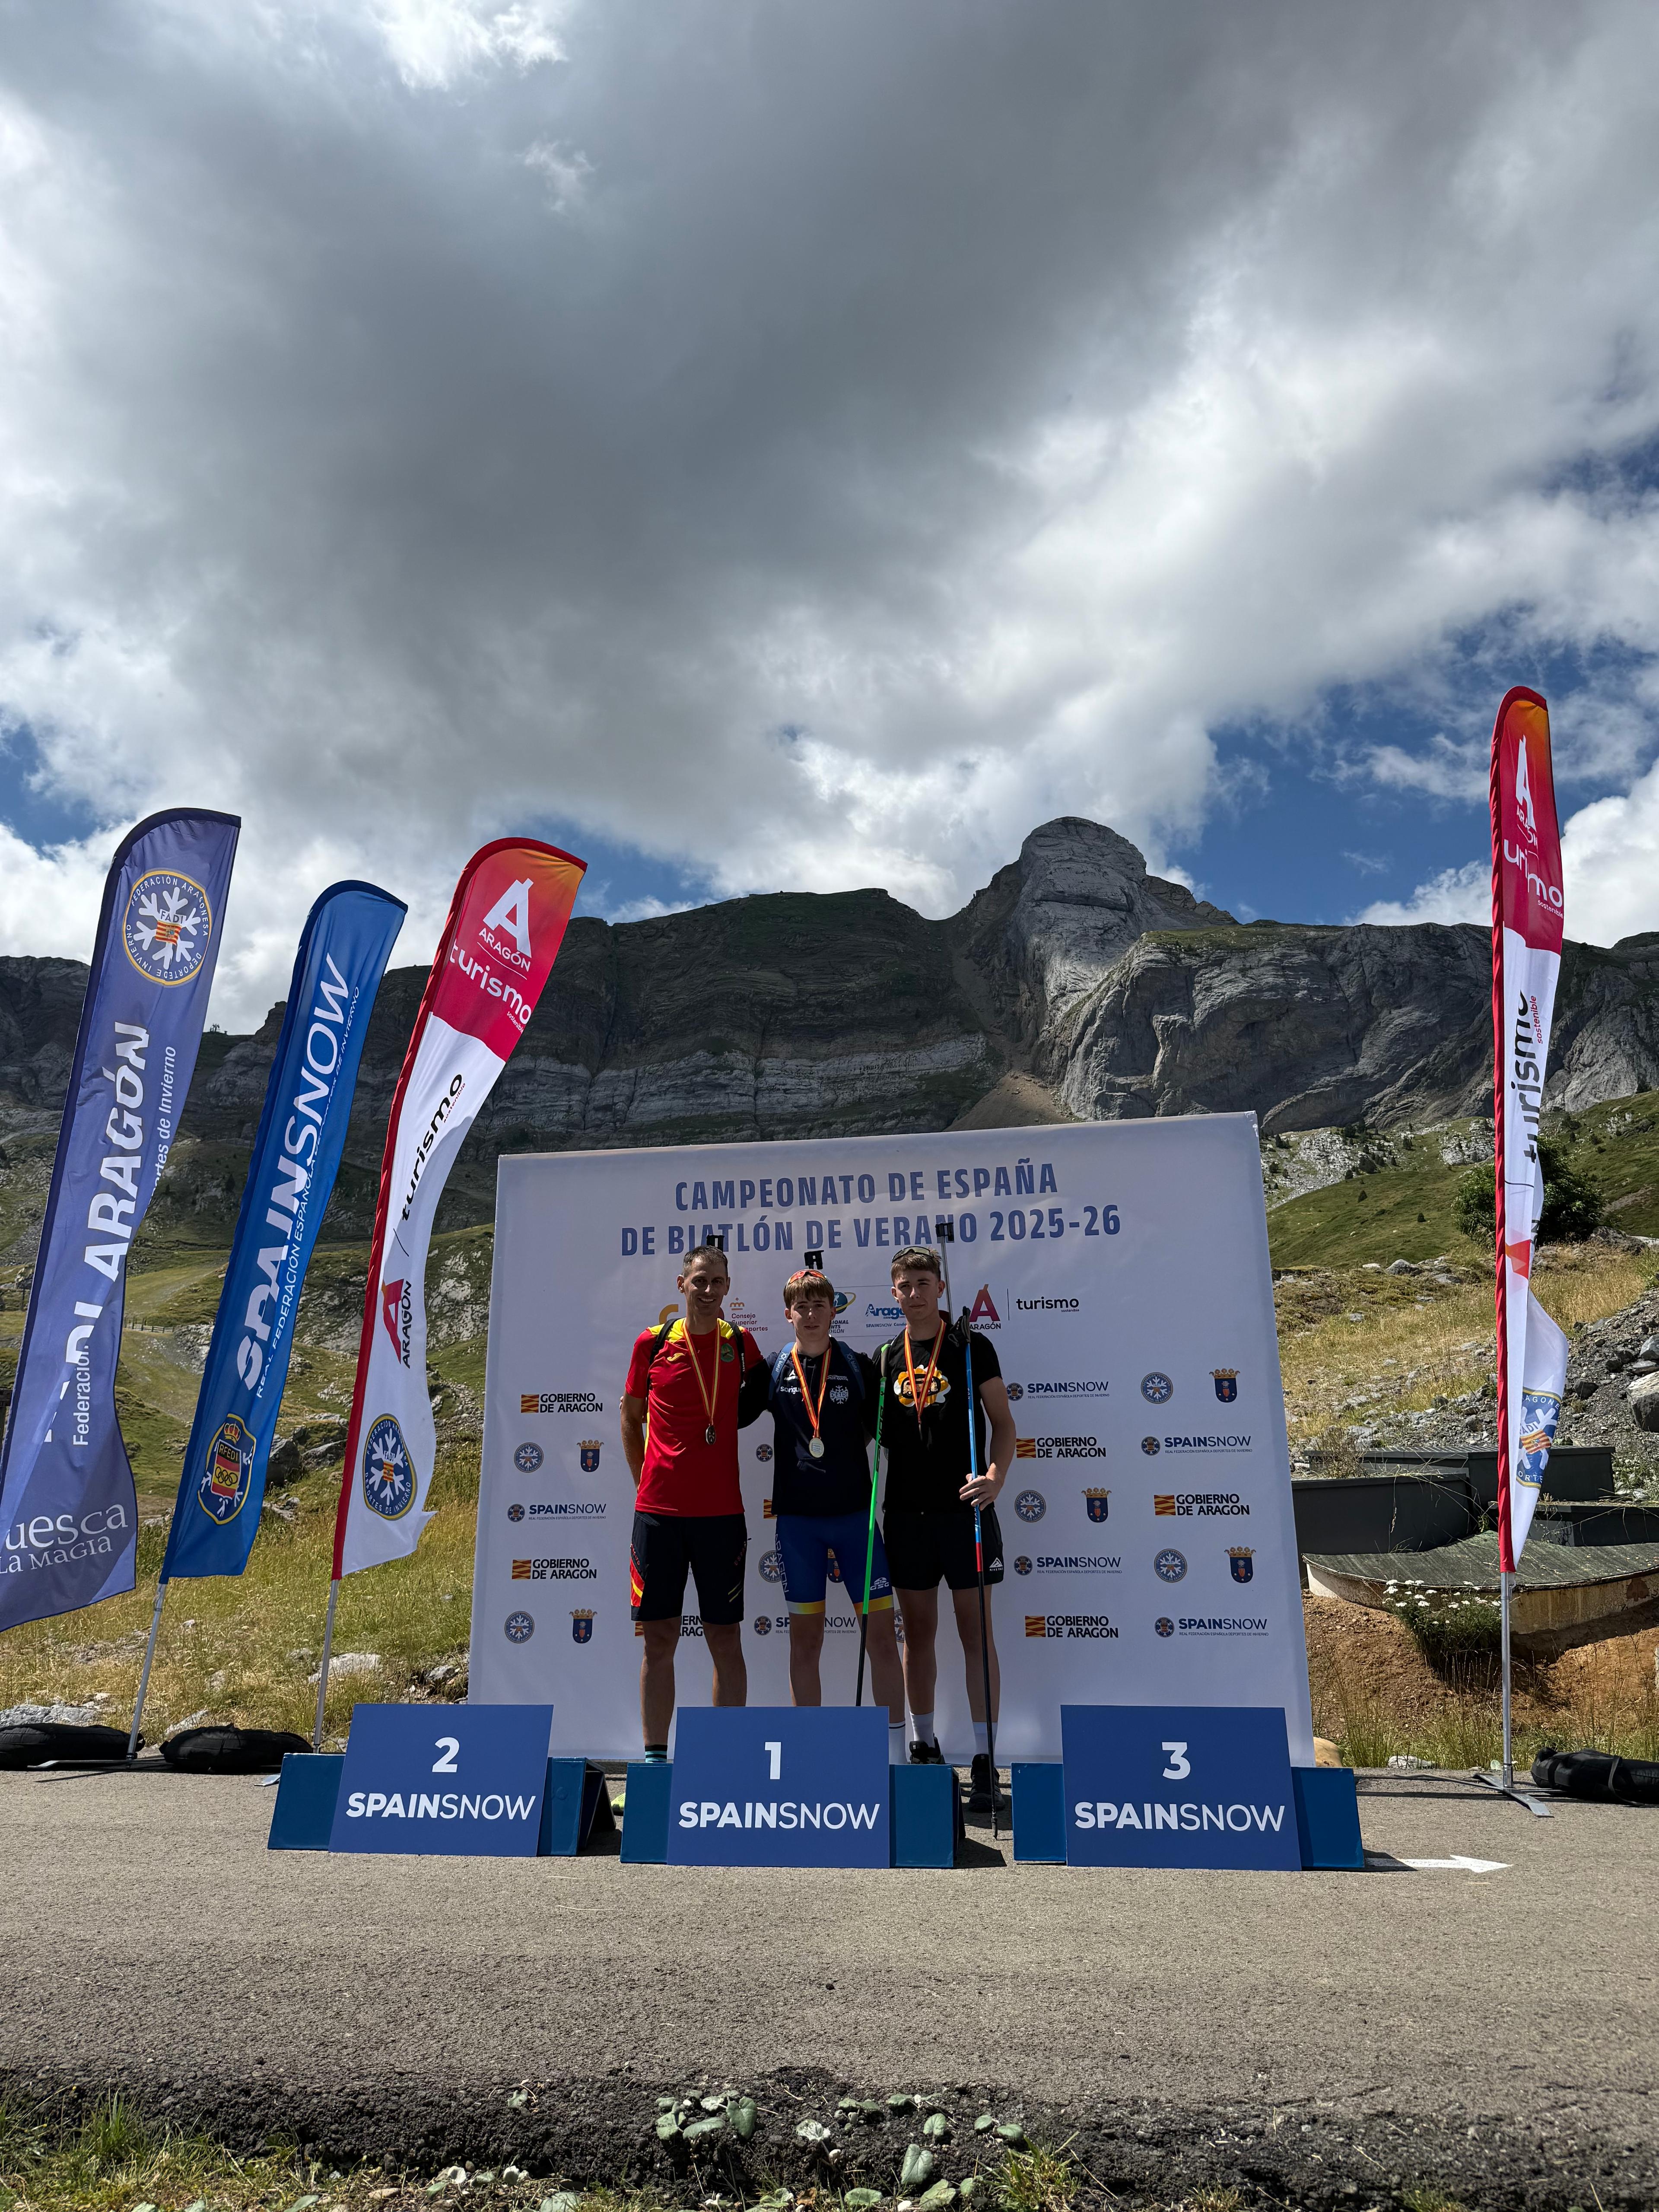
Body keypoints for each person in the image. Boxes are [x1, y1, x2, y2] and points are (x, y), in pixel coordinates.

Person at [877, 1243, 1017, 1816]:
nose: (914, 1294)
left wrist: (996, 1477)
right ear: (894, 1293)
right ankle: (924, 1744)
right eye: (904, 1285)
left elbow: (1003, 1423)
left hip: (965, 1513)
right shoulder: (885, 1355)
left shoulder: (971, 1346)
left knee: (975, 1633)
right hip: (906, 1516)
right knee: (917, 1634)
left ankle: (986, 1758)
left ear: (940, 1287)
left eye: (923, 1283)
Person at [619, 1238, 769, 1759]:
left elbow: (761, 1398)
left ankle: (725, 1759)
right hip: (658, 1517)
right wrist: (643, 1484)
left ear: (728, 1286)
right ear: (681, 1284)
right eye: (699, 1280)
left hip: (721, 1515)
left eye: (717, 1281)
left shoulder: (741, 1343)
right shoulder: (653, 1341)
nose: (707, 1290)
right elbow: (630, 1416)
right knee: (658, 1639)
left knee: (725, 1640)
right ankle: (655, 1757)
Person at [764, 1267, 908, 1765]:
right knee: (806, 1642)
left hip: (854, 1522)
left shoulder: (858, 1365)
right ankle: (810, 1753)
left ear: (833, 1311)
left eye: (819, 1305)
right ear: (789, 1314)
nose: (810, 1314)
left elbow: (882, 1428)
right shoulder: (774, 1367)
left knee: (882, 1639)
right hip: (798, 1526)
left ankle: (894, 1755)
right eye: (801, 1307)